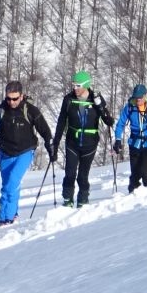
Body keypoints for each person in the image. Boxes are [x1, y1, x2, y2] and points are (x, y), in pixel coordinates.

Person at [0, 79, 52, 225]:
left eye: (15, 98)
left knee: (12, 182)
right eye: (8, 98)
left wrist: (50, 144)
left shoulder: (30, 110)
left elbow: (44, 129)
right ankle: (9, 217)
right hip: (6, 152)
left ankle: (7, 218)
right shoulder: (1, 110)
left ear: (21, 96)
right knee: (7, 186)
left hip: (25, 152)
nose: (11, 102)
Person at [49, 70, 114, 208]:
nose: (75, 88)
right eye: (74, 85)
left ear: (86, 85)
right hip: (72, 142)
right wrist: (55, 143)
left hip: (90, 144)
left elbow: (109, 121)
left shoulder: (96, 98)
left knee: (83, 175)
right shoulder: (68, 99)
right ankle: (67, 200)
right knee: (70, 173)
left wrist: (100, 106)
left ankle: (83, 200)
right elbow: (61, 121)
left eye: (78, 85)